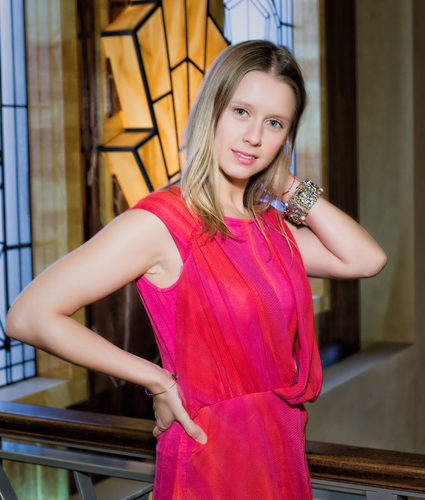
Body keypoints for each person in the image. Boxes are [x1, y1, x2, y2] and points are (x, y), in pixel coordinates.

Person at [5, 40, 386, 499]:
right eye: (241, 112)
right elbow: (28, 315)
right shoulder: (162, 222)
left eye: (274, 123)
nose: (254, 137)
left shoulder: (269, 228)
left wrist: (286, 183)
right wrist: (156, 379)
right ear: (212, 111)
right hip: (210, 461)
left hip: (280, 451)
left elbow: (366, 259)